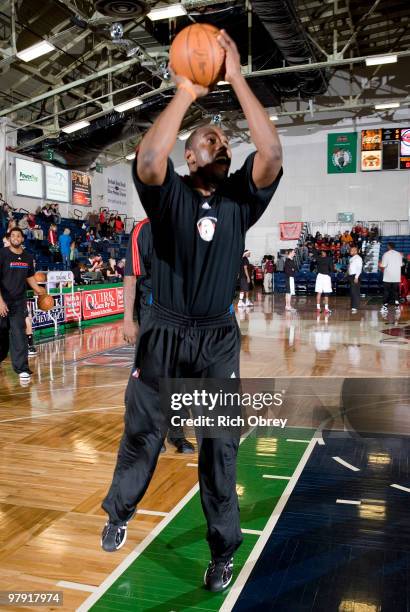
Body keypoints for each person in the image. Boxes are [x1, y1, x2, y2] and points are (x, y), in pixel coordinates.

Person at [100, 28, 283, 593]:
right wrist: (185, 92)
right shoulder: (169, 193)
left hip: (216, 337)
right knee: (144, 431)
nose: (221, 139)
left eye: (225, 139)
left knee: (220, 447)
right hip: (165, 332)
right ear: (190, 153)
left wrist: (236, 79)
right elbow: (148, 158)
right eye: (210, 136)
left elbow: (271, 153)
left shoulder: (239, 201)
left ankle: (223, 550)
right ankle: (120, 513)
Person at [124, 219, 196, 454]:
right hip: (153, 312)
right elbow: (131, 277)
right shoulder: (142, 230)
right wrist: (127, 319)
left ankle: (176, 434)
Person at [0, 228, 45, 380]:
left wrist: (39, 290)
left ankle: (22, 368)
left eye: (18, 235)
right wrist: (0, 302)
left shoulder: (27, 257)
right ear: (9, 238)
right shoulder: (2, 254)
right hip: (2, 300)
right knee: (2, 335)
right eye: (12, 235)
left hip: (19, 301)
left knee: (19, 333)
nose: (15, 238)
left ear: (22, 239)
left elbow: (30, 277)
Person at [379, 242, 402, 313]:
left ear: (389, 246)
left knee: (386, 292)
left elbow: (383, 265)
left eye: (387, 246)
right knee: (396, 292)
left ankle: (385, 307)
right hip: (396, 276)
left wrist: (380, 264)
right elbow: (401, 265)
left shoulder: (386, 254)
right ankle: (397, 307)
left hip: (388, 277)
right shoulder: (399, 254)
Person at [314, 250, 333, 314]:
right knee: (326, 293)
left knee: (319, 292)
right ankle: (326, 309)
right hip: (326, 276)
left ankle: (318, 308)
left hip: (319, 276)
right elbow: (332, 269)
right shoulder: (329, 259)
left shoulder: (318, 258)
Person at [348, 245, 362, 313]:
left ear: (355, 251)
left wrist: (356, 277)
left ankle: (355, 307)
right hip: (351, 276)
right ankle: (353, 305)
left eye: (351, 250)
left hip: (355, 276)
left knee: (355, 291)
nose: (350, 251)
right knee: (352, 291)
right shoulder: (352, 258)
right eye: (350, 250)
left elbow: (359, 268)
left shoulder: (358, 258)